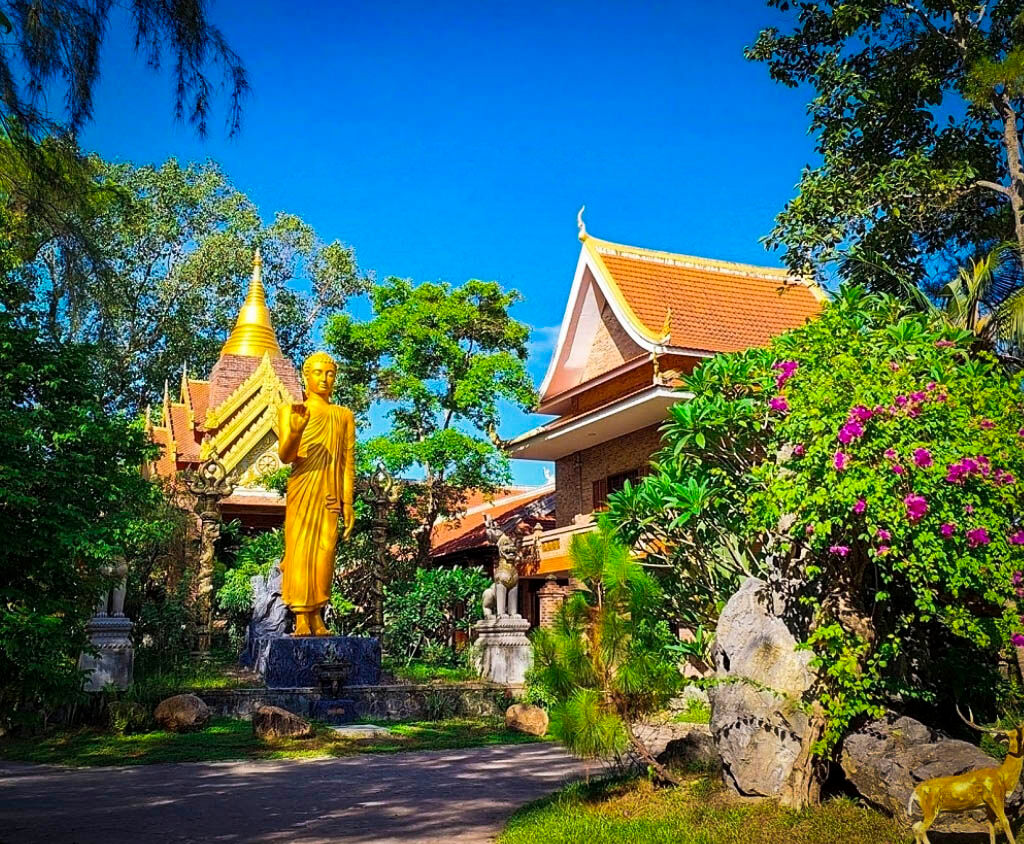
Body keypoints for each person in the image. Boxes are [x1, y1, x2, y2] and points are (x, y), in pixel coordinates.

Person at [277, 351, 355, 636]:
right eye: (318, 373)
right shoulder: (292, 411)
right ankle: (300, 616)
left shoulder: (343, 415)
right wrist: (296, 432)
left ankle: (318, 615)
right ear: (305, 376)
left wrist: (349, 503)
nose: (324, 378)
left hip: (331, 493)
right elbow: (286, 456)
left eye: (330, 373)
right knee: (300, 551)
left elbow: (347, 463)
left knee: (325, 552)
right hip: (303, 488)